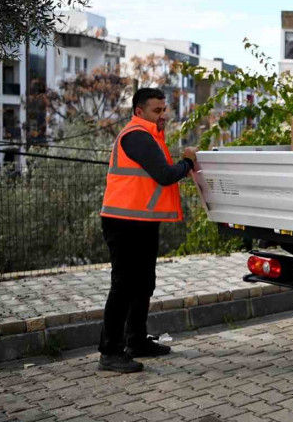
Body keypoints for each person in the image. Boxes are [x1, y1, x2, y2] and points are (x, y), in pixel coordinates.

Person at [97, 88, 197, 373]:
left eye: (165, 109)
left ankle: (136, 342)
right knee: (123, 287)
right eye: (157, 110)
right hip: (123, 222)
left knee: (142, 284)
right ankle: (110, 352)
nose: (163, 115)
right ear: (139, 111)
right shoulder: (137, 136)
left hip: (140, 222)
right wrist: (188, 162)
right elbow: (165, 176)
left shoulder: (150, 136)